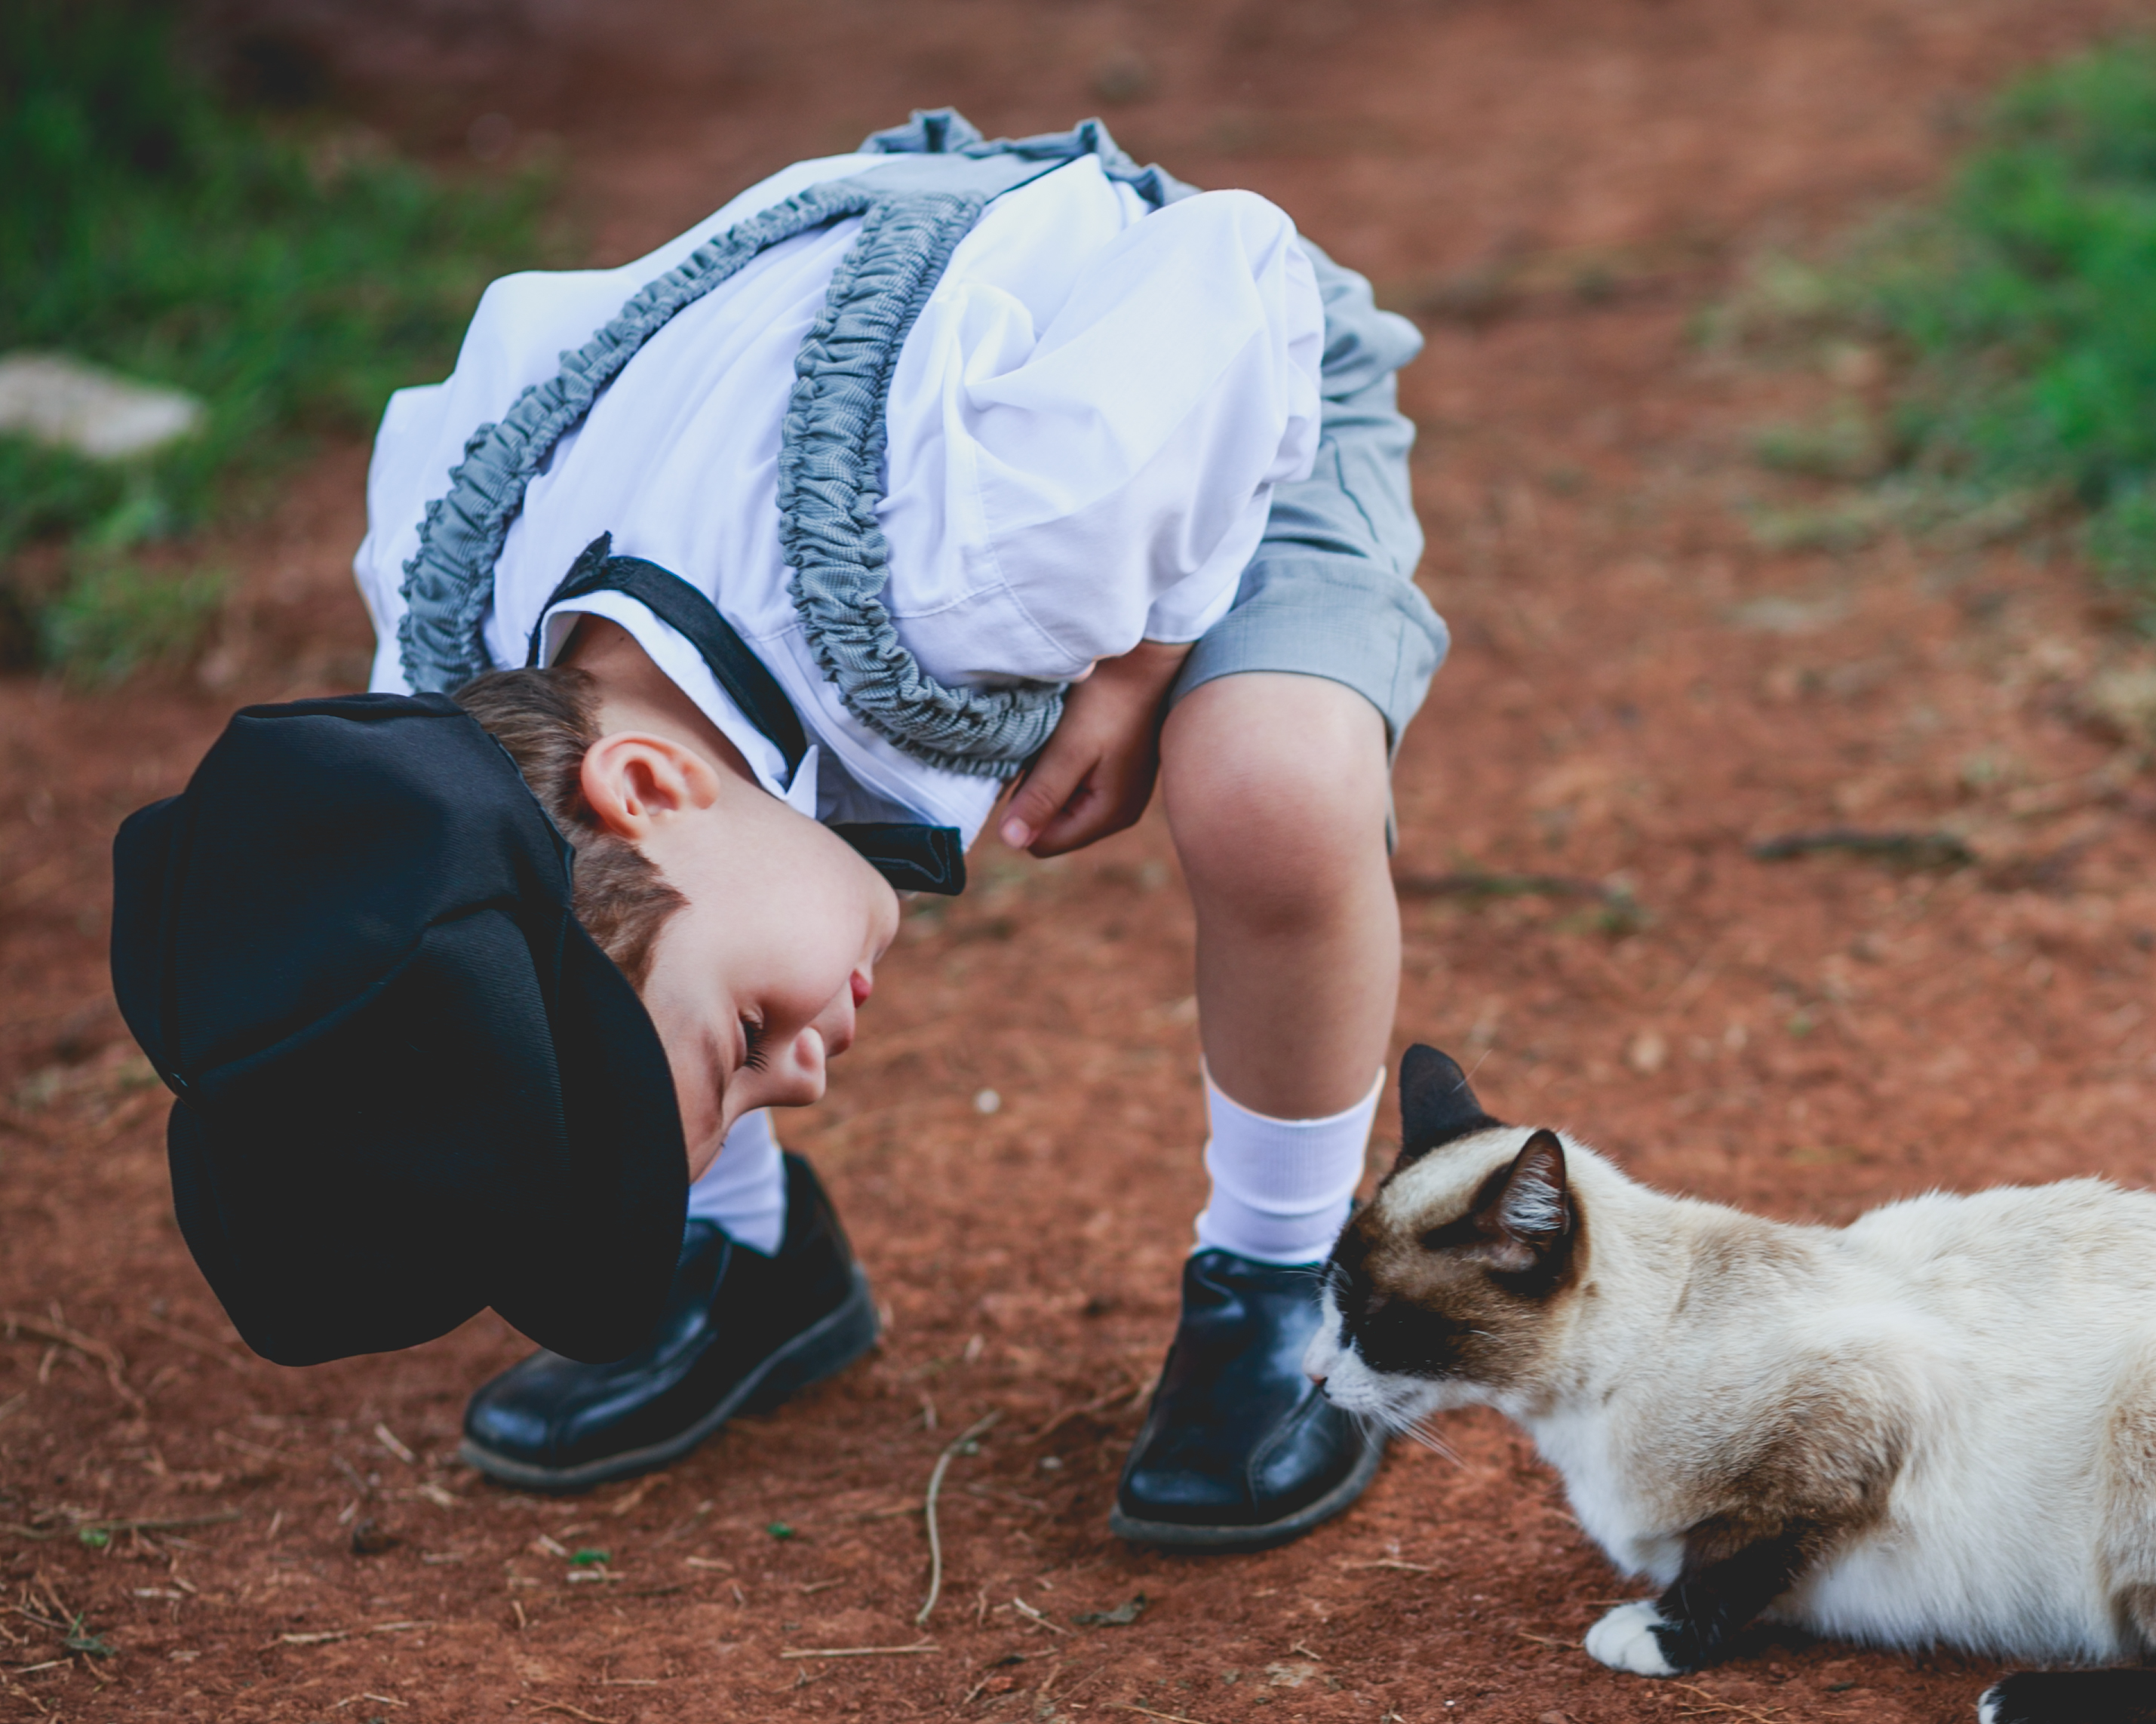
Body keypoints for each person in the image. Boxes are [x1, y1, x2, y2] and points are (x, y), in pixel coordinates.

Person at [106, 112, 1443, 1552]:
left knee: (1269, 788)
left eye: (740, 1042)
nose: (799, 1077)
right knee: (633, 977)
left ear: (650, 792)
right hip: (867, 417)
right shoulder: (454, 682)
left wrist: (1139, 651)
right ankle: (737, 1249)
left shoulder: (1001, 551)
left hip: (1190, 376)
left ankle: (1284, 1283)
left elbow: (1233, 266)